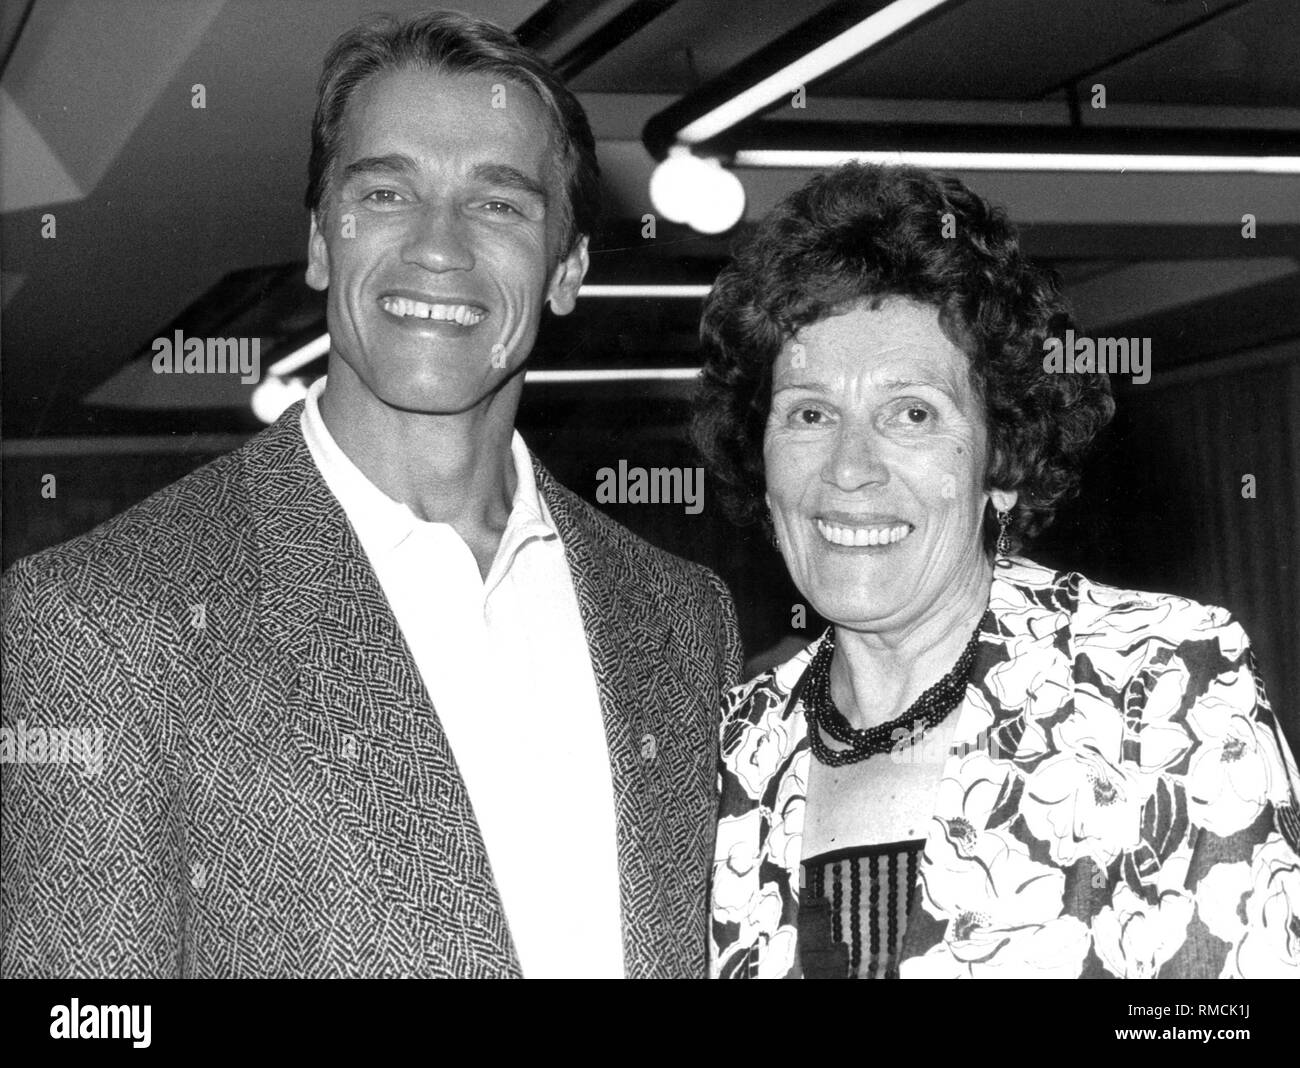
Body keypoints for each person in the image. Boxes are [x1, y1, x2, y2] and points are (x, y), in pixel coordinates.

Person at [0, 10, 740, 979]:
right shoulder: (98, 620)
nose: (439, 245)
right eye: (387, 192)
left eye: (500, 203)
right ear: (319, 243)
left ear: (567, 268)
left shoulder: (686, 622)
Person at [694, 162, 1300, 979]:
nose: (849, 469)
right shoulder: (736, 743)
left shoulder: (1157, 686)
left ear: (1003, 457)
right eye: (809, 413)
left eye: (911, 413)